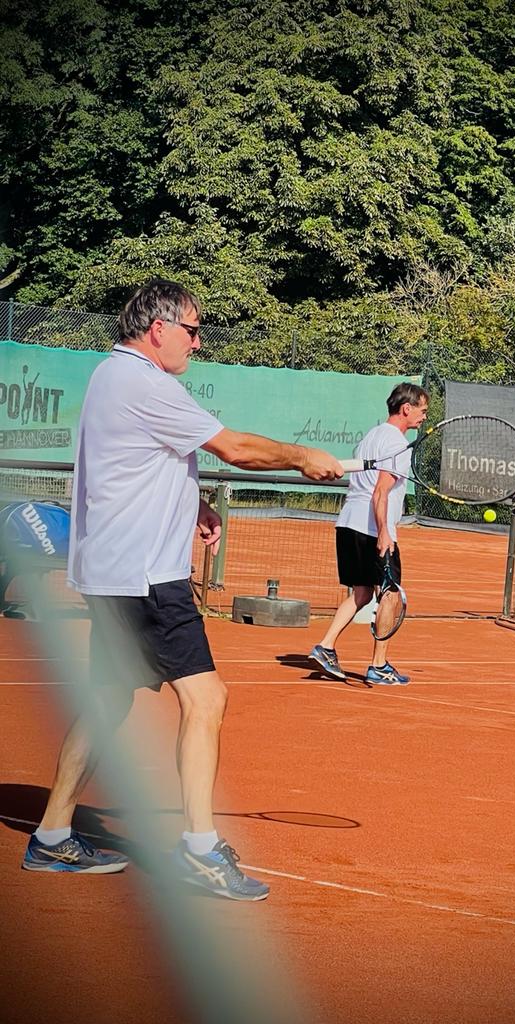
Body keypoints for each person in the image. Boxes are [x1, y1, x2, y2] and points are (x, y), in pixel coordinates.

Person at [21, 279, 343, 901]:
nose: (198, 343)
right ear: (158, 329)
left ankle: (52, 834)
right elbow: (236, 449)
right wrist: (302, 455)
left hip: (112, 574)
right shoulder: (146, 383)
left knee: (108, 699)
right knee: (206, 700)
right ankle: (199, 851)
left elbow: (137, 464)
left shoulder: (112, 376)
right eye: (193, 331)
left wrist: (193, 502)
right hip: (145, 578)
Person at [309, 382, 429, 686]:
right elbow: (380, 493)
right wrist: (385, 532)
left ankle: (325, 646)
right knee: (390, 594)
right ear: (406, 408)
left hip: (348, 522)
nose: (424, 416)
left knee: (362, 592)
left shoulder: (372, 436)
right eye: (422, 410)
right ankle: (378, 665)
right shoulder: (398, 444)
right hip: (373, 527)